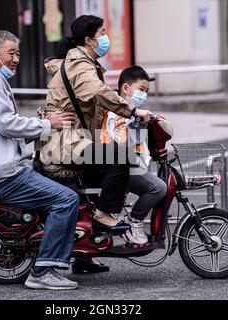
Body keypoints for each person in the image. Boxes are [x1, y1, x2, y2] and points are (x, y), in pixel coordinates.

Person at [0, 30, 80, 290]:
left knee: (63, 185)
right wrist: (48, 124)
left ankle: (75, 257)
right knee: (66, 199)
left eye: (18, 53)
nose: (16, 59)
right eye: (10, 53)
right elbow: (6, 124)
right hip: (2, 175)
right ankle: (44, 270)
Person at [39, 15, 151, 274]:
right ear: (89, 39)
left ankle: (84, 255)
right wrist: (132, 111)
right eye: (102, 32)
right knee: (120, 158)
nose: (105, 37)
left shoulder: (84, 62)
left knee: (102, 179)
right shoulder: (80, 63)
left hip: (73, 140)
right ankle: (104, 216)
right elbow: (98, 92)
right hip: (63, 144)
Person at [101, 66, 168, 244]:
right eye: (141, 90)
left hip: (128, 165)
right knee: (159, 188)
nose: (144, 95)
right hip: (119, 167)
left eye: (146, 91)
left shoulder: (132, 112)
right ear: (125, 89)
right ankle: (135, 221)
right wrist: (138, 125)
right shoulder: (118, 113)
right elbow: (123, 145)